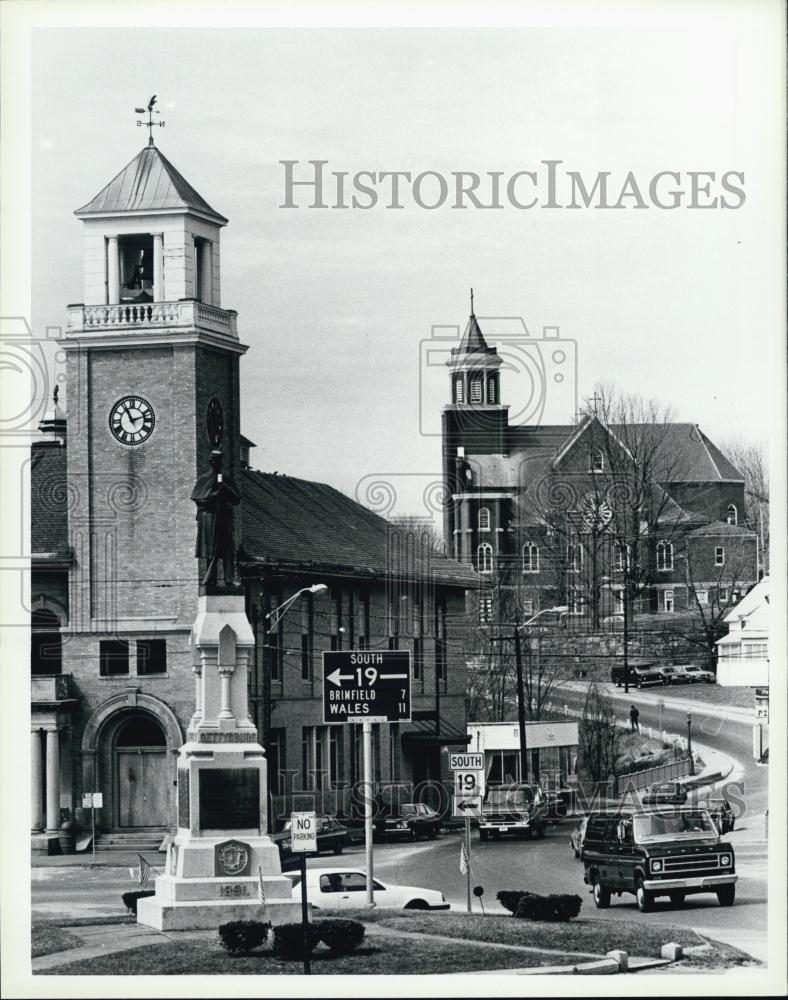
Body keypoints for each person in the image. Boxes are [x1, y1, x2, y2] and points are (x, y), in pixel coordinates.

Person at [191, 449, 241, 591]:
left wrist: (225, 489)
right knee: (210, 552)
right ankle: (210, 580)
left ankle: (229, 580)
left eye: (219, 461)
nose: (216, 463)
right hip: (209, 519)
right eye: (214, 460)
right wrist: (214, 495)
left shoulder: (225, 480)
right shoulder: (203, 480)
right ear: (210, 462)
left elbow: (236, 499)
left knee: (227, 550)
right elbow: (199, 500)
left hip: (223, 519)